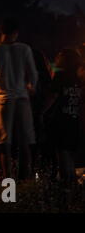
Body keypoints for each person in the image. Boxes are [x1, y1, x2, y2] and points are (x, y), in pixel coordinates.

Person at [0, 18, 38, 182]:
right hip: (22, 98)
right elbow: (33, 74)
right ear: (16, 33)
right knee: (25, 141)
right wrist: (31, 86)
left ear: (1, 31)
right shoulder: (24, 49)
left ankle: (3, 182)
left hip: (3, 99)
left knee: (1, 142)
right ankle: (25, 180)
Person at [42, 49, 83, 185]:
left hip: (61, 121)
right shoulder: (79, 78)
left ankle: (66, 186)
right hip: (74, 120)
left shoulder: (60, 76)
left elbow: (52, 96)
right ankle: (73, 186)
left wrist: (41, 112)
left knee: (62, 154)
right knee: (70, 155)